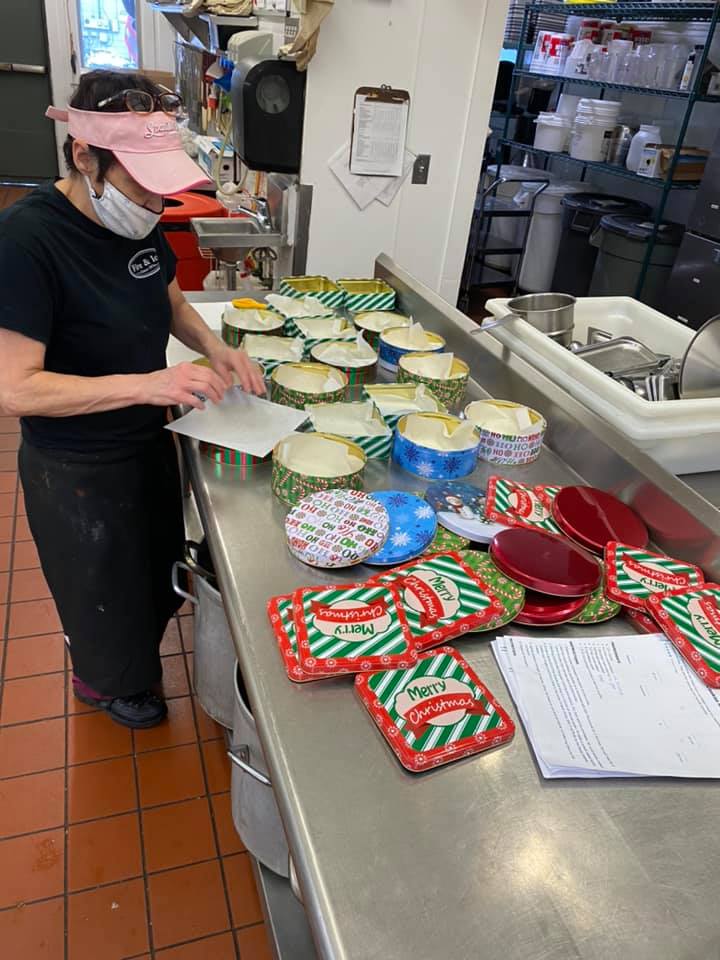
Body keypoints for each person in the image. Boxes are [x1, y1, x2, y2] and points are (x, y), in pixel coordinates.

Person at [0, 71, 265, 729]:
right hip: (78, 466)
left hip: (145, 438)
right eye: (140, 183)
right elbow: (15, 387)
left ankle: (130, 654)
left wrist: (216, 347)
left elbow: (170, 300)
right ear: (84, 155)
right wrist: (149, 385)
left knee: (148, 568)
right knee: (100, 589)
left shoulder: (137, 216)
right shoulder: (26, 242)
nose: (153, 201)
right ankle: (105, 683)